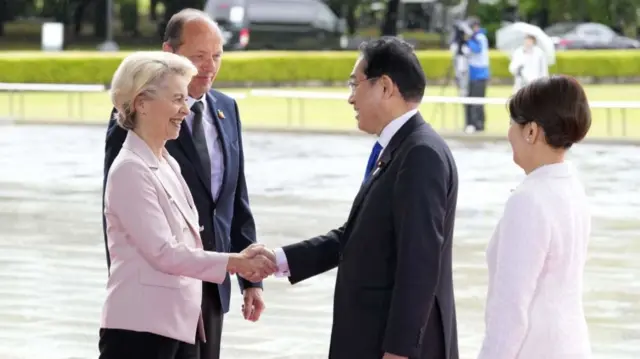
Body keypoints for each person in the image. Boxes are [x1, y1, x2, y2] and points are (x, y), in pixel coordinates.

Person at [251, 37, 460, 359]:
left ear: (386, 86)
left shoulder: (420, 154)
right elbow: (359, 235)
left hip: (392, 347)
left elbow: (420, 262)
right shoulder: (401, 149)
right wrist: (279, 259)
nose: (350, 99)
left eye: (355, 84)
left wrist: (399, 351)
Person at [101, 9, 265, 359]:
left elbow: (235, 200)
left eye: (217, 56)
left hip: (199, 297)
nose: (185, 109)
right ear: (142, 103)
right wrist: (237, 262)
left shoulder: (171, 158)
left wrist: (248, 276)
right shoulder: (130, 159)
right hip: (150, 309)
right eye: (199, 56)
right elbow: (144, 244)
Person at [477, 75, 592, 359]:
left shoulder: (528, 200)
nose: (508, 133)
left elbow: (510, 310)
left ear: (531, 131)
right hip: (572, 345)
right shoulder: (571, 185)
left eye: (512, 123)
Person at [464, 16, 490, 134]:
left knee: (477, 102)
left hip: (480, 75)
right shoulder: (474, 38)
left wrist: (468, 39)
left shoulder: (480, 37)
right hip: (471, 75)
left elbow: (477, 49)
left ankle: (479, 125)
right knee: (469, 100)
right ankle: (470, 123)